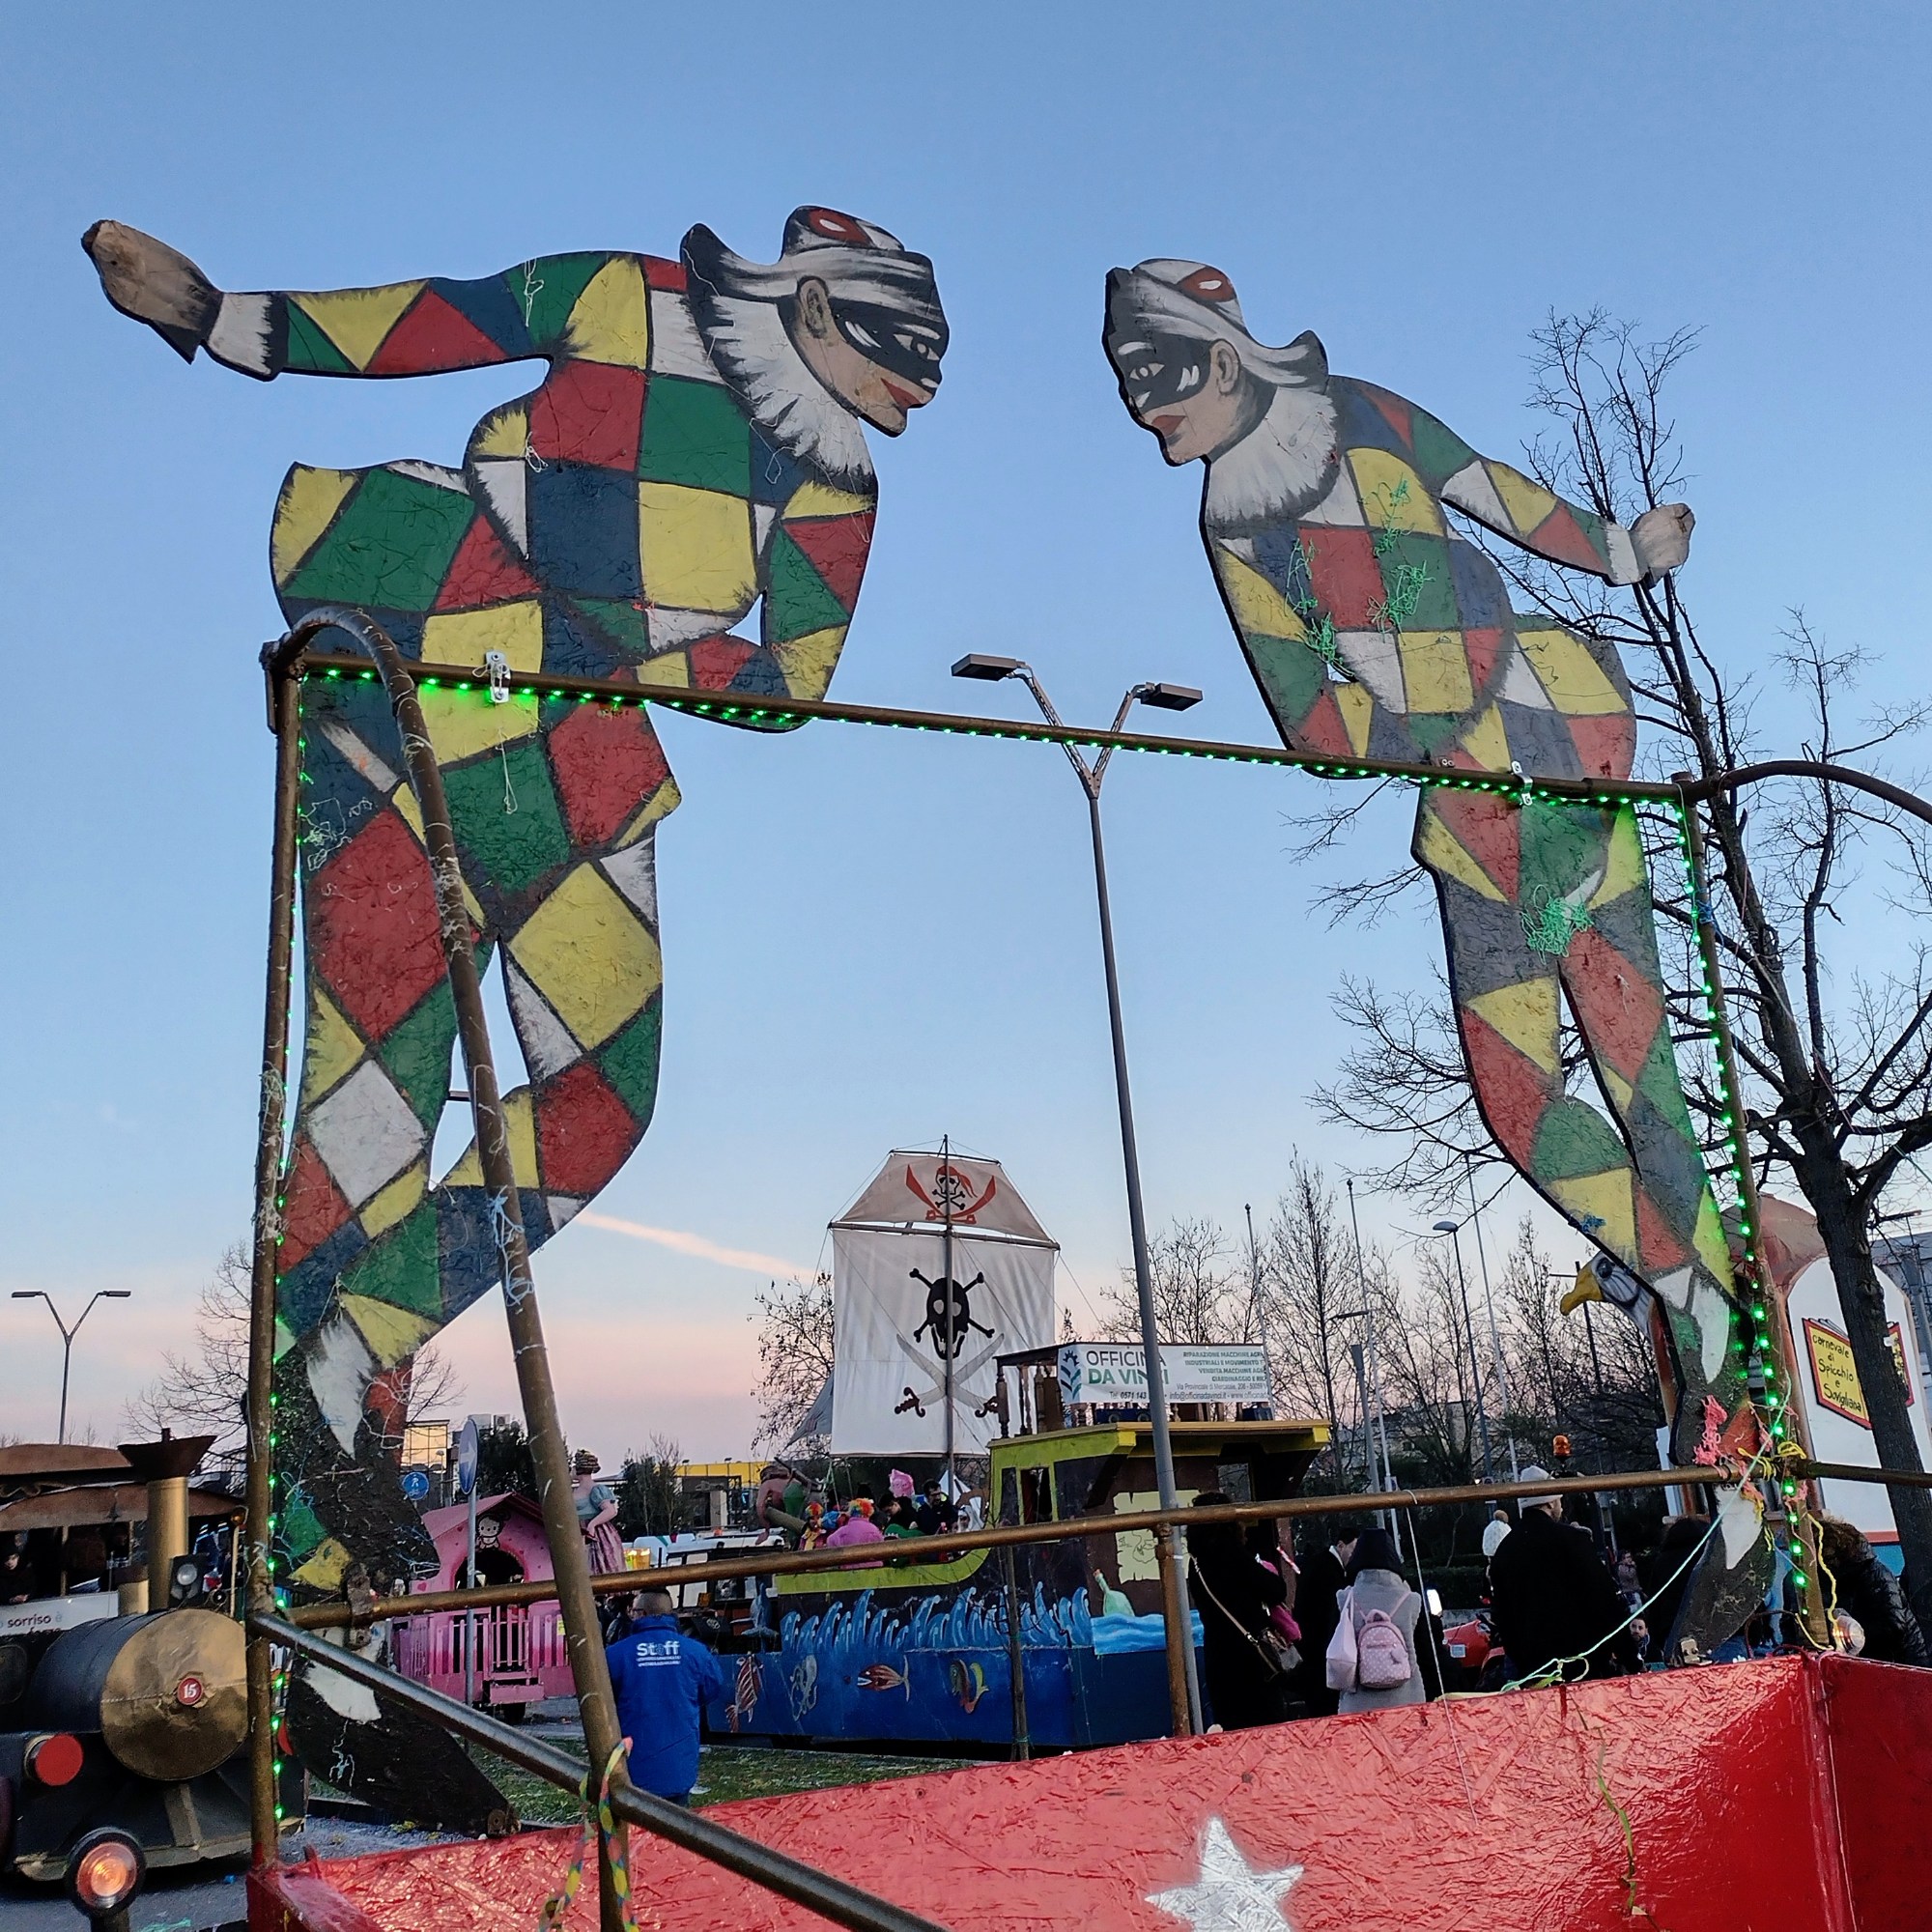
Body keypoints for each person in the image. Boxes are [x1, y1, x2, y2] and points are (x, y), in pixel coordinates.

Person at [1489, 1468, 1638, 1684]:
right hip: (1584, 1667)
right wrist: (1630, 1658)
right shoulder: (1572, 1540)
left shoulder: (1505, 1551)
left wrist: (1524, 1665)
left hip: (1536, 1673)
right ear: (1550, 1503)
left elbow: (1503, 1618)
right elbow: (1604, 1602)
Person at [605, 1589, 724, 1806]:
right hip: (679, 1766)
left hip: (630, 1766)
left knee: (632, 1824)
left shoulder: (615, 1655)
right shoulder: (696, 1652)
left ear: (641, 1613)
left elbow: (602, 1701)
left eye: (634, 1611)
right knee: (676, 1822)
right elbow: (712, 1688)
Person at [1186, 1493, 1290, 1730]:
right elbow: (1276, 1590)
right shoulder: (1232, 1553)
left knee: (1233, 1732)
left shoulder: (1195, 1563)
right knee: (1267, 1731)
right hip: (1251, 1659)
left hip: (1218, 1658)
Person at [1331, 1526, 1427, 1713]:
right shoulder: (1411, 1600)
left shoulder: (1345, 1599)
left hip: (1358, 1705)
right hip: (1407, 1702)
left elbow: (1333, 1648)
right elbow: (1425, 1652)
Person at [1818, 1516, 1930, 1666]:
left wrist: (1856, 1635)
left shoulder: (1874, 1575)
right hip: (1874, 1661)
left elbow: (1894, 1625)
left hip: (1902, 1662)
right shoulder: (1837, 1578)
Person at [1290, 1520, 1359, 1718]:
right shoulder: (1328, 1570)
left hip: (1313, 1653)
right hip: (1320, 1655)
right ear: (1341, 1545)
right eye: (1353, 1550)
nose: (1354, 1557)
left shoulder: (1320, 1564)